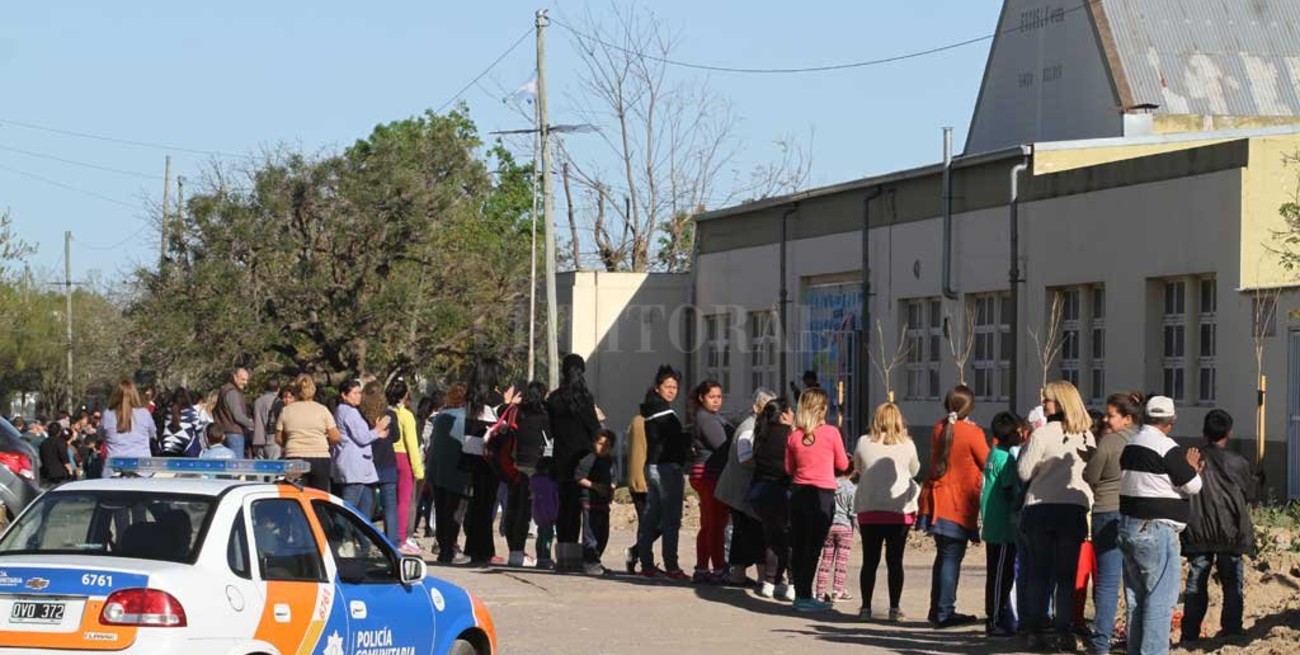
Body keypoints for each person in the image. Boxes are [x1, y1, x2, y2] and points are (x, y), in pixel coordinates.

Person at [1119, 396, 1203, 655]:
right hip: (1156, 530)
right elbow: (1193, 485)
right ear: (1170, 422)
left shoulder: (1131, 444)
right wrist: (1191, 468)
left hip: (1129, 526)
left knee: (1136, 600)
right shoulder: (1166, 447)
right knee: (1160, 600)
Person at [1016, 380, 1096, 652]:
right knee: (1066, 575)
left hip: (1041, 506)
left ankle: (1035, 629)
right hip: (1073, 508)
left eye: (1047, 400)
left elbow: (1024, 472)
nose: (1043, 404)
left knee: (1039, 572)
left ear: (1060, 403)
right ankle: (1064, 631)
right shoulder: (1087, 435)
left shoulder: (1042, 435)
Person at [1179, 409, 1256, 644]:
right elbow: (1250, 494)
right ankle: (1232, 629)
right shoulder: (1239, 462)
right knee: (1232, 582)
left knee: (1195, 582)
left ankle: (1189, 634)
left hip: (1198, 529)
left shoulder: (1193, 460)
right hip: (1231, 532)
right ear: (1229, 432)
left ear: (1204, 432)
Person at [918, 385, 988, 626]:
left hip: (936, 501)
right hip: (957, 503)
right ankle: (944, 611)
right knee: (951, 557)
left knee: (943, 556)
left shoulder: (939, 427)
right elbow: (987, 461)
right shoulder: (972, 433)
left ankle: (937, 608)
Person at [1083, 391, 1144, 655]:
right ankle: (1135, 640)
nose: (1106, 420)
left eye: (1111, 415)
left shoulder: (1109, 443)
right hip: (1137, 514)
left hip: (1107, 511)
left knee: (1107, 583)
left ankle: (1100, 644)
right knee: (1135, 582)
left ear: (1127, 418)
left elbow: (1091, 474)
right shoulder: (1145, 441)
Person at [854, 401, 921, 622]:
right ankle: (894, 608)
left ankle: (865, 608)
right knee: (895, 561)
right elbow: (915, 470)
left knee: (869, 561)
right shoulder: (908, 444)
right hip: (898, 510)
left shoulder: (863, 442)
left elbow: (858, 467)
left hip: (869, 509)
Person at [784, 387, 849, 612]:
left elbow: (788, 468)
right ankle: (804, 596)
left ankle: (800, 593)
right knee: (813, 547)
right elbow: (842, 464)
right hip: (822, 494)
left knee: (799, 545)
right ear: (821, 409)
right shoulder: (831, 433)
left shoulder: (793, 436)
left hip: (799, 492)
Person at [715, 387, 778, 586]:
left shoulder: (757, 426)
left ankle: (739, 574)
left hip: (742, 490)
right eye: (767, 407)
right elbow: (745, 459)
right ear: (756, 406)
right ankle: (757, 575)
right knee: (752, 533)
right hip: (739, 490)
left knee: (744, 534)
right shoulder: (749, 429)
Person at [546, 354, 601, 572]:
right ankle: (581, 557)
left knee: (564, 508)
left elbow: (550, 430)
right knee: (581, 507)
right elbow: (594, 428)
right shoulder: (585, 398)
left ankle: (564, 557)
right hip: (583, 458)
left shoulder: (554, 399)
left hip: (561, 458)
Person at [637, 365, 690, 581]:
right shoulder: (665, 413)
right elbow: (674, 441)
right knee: (670, 520)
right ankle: (672, 565)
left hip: (652, 467)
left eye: (675, 387)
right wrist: (688, 439)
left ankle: (647, 563)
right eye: (667, 386)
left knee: (650, 516)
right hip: (666, 468)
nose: (672, 390)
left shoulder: (650, 409)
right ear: (658, 388)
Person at [462, 358, 509, 566]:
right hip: (488, 456)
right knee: (487, 504)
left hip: (469, 454)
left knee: (476, 504)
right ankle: (485, 550)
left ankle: (473, 548)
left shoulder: (471, 397)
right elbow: (502, 423)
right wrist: (508, 403)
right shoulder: (495, 398)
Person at [982, 411, 1024, 637]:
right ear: (1010, 435)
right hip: (1002, 526)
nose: (1021, 436)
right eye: (1018, 432)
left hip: (993, 523)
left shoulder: (993, 454)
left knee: (998, 572)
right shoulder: (1006, 458)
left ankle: (999, 615)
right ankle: (994, 618)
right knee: (1000, 575)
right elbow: (1009, 490)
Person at [750, 397, 795, 600]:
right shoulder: (789, 436)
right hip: (782, 491)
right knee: (790, 540)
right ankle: (793, 584)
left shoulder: (761, 433)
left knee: (771, 539)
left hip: (760, 492)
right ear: (784, 414)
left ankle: (769, 581)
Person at [689, 380, 733, 583]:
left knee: (708, 523)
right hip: (710, 474)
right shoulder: (707, 419)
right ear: (701, 397)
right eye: (711, 397)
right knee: (717, 523)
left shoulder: (707, 416)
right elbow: (722, 446)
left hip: (703, 474)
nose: (716, 401)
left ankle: (702, 567)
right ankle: (718, 568)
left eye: (719, 397)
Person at [505, 381, 549, 567]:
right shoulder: (544, 416)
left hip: (515, 464)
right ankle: (541, 554)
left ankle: (515, 551)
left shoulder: (517, 412)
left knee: (515, 507)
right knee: (534, 510)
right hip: (536, 466)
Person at [333, 380, 389, 519]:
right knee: (349, 508)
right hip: (355, 468)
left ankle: (363, 540)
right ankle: (338, 536)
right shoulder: (350, 412)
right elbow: (362, 437)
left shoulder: (343, 410)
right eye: (355, 393)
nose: (359, 396)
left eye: (360, 392)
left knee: (364, 510)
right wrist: (378, 429)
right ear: (344, 395)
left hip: (359, 468)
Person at [428, 384, 471, 564]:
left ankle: (443, 548)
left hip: (436, 470)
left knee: (441, 511)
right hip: (457, 472)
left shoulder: (440, 418)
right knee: (455, 513)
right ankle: (450, 548)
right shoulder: (465, 418)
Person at [276, 375, 339, 493]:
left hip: (295, 456)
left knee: (295, 495)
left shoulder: (287, 410)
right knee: (319, 496)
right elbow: (335, 436)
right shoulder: (322, 410)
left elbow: (278, 438)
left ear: (296, 390)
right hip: (320, 457)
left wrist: (288, 442)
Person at [386, 378, 425, 555]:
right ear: (405, 395)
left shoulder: (385, 411)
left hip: (386, 456)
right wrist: (418, 469)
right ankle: (401, 538)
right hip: (403, 457)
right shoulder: (406, 415)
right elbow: (412, 443)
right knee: (403, 501)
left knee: (389, 501)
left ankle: (389, 536)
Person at [361, 381, 401, 545]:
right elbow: (396, 437)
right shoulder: (390, 415)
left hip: (368, 463)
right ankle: (392, 542)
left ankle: (364, 540)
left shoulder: (362, 415)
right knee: (390, 507)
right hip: (387, 463)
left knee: (366, 506)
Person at [576, 429, 616, 575]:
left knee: (603, 535)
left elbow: (613, 478)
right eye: (600, 444)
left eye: (608, 445)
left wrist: (612, 488)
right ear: (594, 444)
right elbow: (579, 477)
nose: (603, 447)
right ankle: (589, 562)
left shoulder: (609, 461)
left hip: (604, 503)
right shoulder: (589, 460)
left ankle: (596, 560)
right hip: (590, 502)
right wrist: (595, 486)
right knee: (590, 535)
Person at [815, 471, 856, 603]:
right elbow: (853, 511)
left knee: (825, 560)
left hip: (828, 526)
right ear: (853, 471)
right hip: (845, 527)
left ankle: (820, 592)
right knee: (841, 562)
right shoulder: (851, 488)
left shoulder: (828, 485)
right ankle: (837, 591)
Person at [102, 379, 157, 476]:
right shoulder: (144, 413)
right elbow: (152, 433)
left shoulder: (107, 414)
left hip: (113, 471)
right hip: (142, 470)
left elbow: (101, 435)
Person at [624, 401, 653, 574]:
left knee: (645, 523)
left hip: (636, 479)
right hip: (648, 480)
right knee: (655, 523)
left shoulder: (635, 422)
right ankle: (640, 556)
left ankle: (638, 554)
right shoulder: (649, 423)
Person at [414, 391, 445, 539]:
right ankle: (429, 527)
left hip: (422, 463)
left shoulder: (423, 422)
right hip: (428, 464)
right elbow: (428, 444)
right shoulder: (434, 422)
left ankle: (417, 527)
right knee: (430, 498)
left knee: (420, 498)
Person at [213, 368, 254, 458]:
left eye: (247, 380)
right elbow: (238, 416)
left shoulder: (225, 389)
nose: (245, 383)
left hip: (225, 431)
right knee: (236, 466)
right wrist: (253, 425)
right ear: (235, 377)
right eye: (243, 379)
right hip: (234, 433)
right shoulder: (232, 392)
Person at [159, 388, 206, 458]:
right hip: (185, 450)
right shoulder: (191, 413)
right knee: (195, 436)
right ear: (187, 398)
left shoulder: (168, 411)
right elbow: (200, 430)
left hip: (165, 448)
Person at [251, 379, 280, 460]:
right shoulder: (277, 402)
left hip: (257, 440)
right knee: (274, 470)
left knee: (260, 471)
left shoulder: (257, 401)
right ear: (278, 389)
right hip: (272, 441)